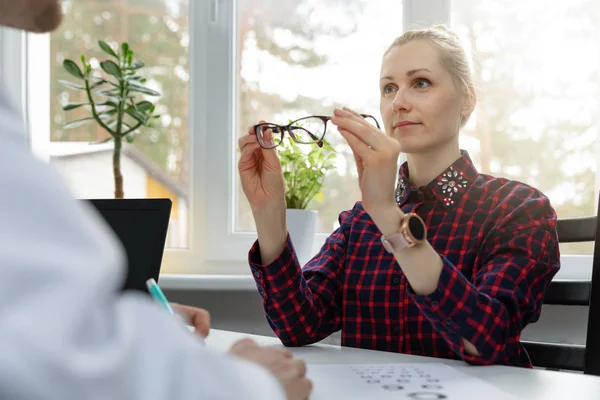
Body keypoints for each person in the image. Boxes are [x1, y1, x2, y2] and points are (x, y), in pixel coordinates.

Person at [0, 1, 312, 399]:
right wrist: (248, 383)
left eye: (420, 82)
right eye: (389, 86)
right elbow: (59, 358)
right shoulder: (354, 230)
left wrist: (115, 318)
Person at [238, 24, 560, 367]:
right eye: (388, 88)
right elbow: (298, 325)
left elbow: (487, 340)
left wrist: (390, 218)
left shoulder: (519, 209)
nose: (398, 103)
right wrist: (269, 213)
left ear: (467, 99)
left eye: (421, 83)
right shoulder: (361, 221)